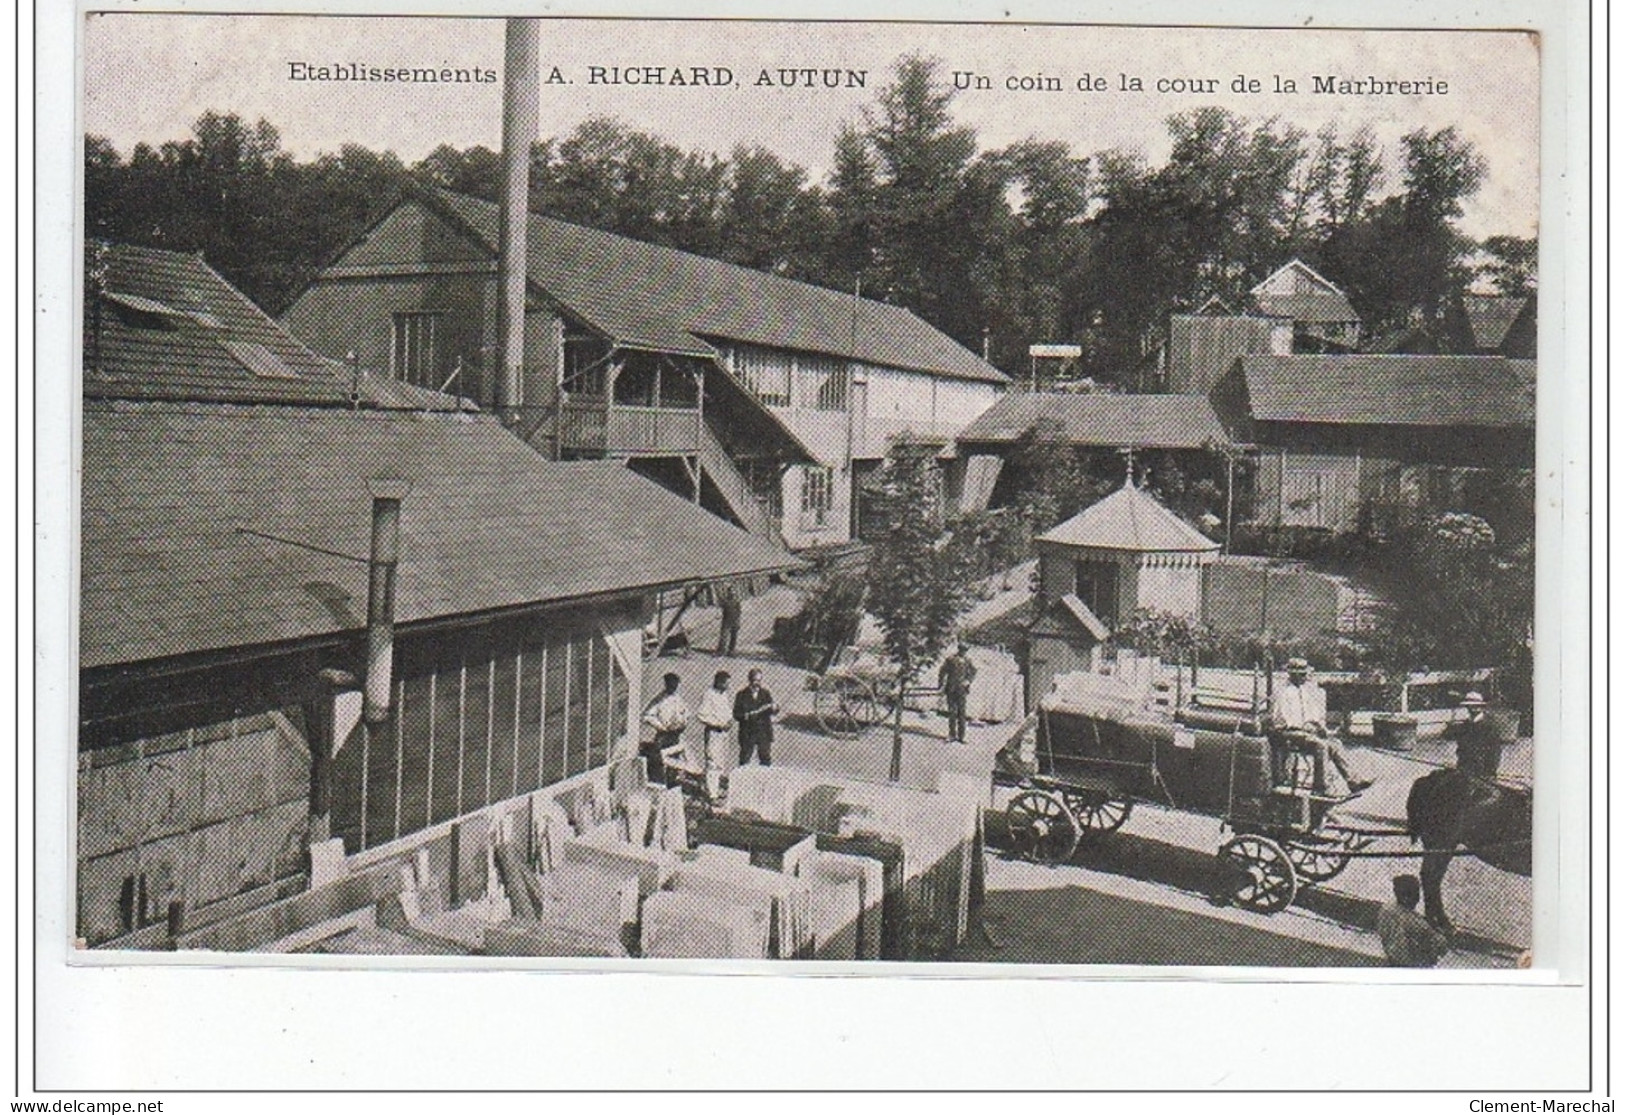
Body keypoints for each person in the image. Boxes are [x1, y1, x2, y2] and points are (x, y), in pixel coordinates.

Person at [1270, 658, 1371, 794]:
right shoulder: (1282, 692)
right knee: (1320, 746)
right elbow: (1283, 719)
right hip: (1287, 733)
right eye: (1302, 674)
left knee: (1335, 744)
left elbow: (1313, 714)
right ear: (1293, 674)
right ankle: (1321, 787)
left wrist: (1320, 727)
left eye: (1305, 674)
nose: (1305, 677)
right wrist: (1304, 727)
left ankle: (1353, 781)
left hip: (1306, 731)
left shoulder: (1304, 691)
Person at [1376, 874, 1450, 967]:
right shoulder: (1417, 923)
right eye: (1417, 893)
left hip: (1391, 960)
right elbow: (1442, 948)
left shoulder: (1385, 909)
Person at [640, 672, 689, 786]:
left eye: (675, 684)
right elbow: (646, 716)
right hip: (663, 734)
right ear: (666, 683)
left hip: (676, 734)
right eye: (671, 684)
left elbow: (686, 714)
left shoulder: (679, 699)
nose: (673, 686)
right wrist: (660, 726)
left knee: (675, 759)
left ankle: (672, 782)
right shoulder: (659, 699)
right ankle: (660, 783)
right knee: (661, 758)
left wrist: (683, 723)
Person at [694, 670, 734, 804]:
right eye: (725, 684)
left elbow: (727, 712)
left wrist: (729, 721)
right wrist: (717, 724)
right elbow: (701, 715)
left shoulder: (724, 695)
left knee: (721, 763)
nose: (727, 687)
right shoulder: (709, 695)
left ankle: (714, 790)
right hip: (714, 732)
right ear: (718, 681)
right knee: (712, 763)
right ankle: (711, 795)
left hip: (723, 734)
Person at [1444, 691, 1502, 780]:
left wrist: (1490, 773)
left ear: (1482, 707)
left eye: (1477, 705)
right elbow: (1446, 736)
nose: (1473, 708)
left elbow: (1495, 752)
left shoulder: (1490, 726)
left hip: (1483, 772)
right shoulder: (1464, 726)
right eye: (1470, 706)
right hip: (1463, 769)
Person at [733, 668, 779, 768]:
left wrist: (775, 709)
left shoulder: (765, 693)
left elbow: (771, 710)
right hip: (748, 732)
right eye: (754, 680)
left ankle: (765, 781)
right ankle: (742, 781)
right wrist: (747, 716)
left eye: (759, 681)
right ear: (749, 680)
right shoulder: (741, 695)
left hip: (763, 732)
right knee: (745, 759)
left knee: (765, 759)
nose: (757, 683)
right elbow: (736, 714)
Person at [939, 643, 977, 743]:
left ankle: (961, 736)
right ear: (958, 649)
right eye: (962, 650)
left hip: (962, 690)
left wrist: (968, 681)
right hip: (951, 689)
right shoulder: (950, 659)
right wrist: (941, 685)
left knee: (962, 713)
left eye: (965, 650)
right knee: (952, 712)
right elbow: (942, 671)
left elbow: (973, 671)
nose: (963, 652)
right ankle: (952, 735)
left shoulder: (968, 661)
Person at [716, 582, 742, 657]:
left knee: (734, 637)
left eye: (733, 592)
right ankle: (721, 651)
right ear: (728, 593)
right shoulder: (725, 601)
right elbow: (720, 605)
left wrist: (738, 621)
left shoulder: (737, 601)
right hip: (726, 621)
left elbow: (739, 611)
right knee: (724, 636)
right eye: (730, 592)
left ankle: (731, 651)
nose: (732, 593)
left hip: (735, 620)